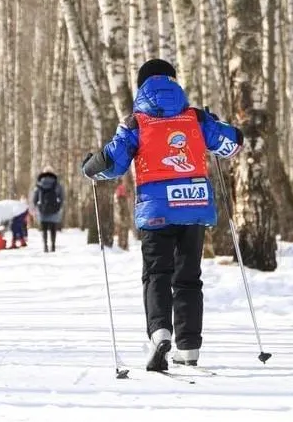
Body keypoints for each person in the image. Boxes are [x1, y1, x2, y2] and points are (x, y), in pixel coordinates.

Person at [81, 59, 244, 371]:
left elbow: (112, 163)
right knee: (189, 276)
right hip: (194, 207)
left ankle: (160, 335)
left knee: (157, 274)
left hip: (156, 210)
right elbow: (233, 144)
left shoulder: (136, 122)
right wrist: (218, 123)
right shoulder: (195, 118)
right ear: (173, 81)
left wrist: (90, 166)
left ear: (142, 84)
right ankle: (189, 345)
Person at [31, 166, 64, 253]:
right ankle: (53, 246)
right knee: (53, 228)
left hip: (42, 209)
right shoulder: (57, 184)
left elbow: (35, 198)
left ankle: (45, 246)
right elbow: (62, 196)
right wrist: (59, 206)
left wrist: (36, 206)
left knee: (44, 229)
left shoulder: (39, 184)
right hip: (54, 209)